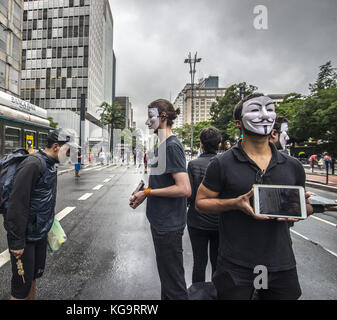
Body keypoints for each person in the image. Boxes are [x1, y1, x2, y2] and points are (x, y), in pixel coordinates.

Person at [195, 93, 314, 300]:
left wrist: (303, 208)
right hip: (236, 264)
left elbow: (304, 207)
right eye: (255, 110)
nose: (265, 115)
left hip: (281, 262)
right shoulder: (222, 164)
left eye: (269, 109)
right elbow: (201, 202)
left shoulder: (293, 166)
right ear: (238, 123)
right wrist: (235, 203)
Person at [129, 99, 192, 300]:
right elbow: (165, 183)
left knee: (173, 283)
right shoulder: (163, 144)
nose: (148, 123)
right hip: (162, 222)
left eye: (151, 117)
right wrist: (145, 191)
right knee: (168, 279)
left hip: (168, 225)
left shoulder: (171, 146)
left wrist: (147, 193)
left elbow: (184, 188)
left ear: (163, 117)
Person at [5, 128, 73, 300]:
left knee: (32, 279)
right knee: (20, 288)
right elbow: (16, 204)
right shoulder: (33, 164)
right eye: (69, 150)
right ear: (56, 146)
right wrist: (17, 241)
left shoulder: (50, 165)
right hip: (25, 237)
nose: (70, 155)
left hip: (39, 234)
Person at [187, 126, 221, 283]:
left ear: (201, 144)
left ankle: (197, 294)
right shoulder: (224, 164)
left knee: (199, 263)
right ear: (219, 144)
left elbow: (190, 195)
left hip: (197, 221)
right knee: (217, 264)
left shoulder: (193, 165)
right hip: (219, 223)